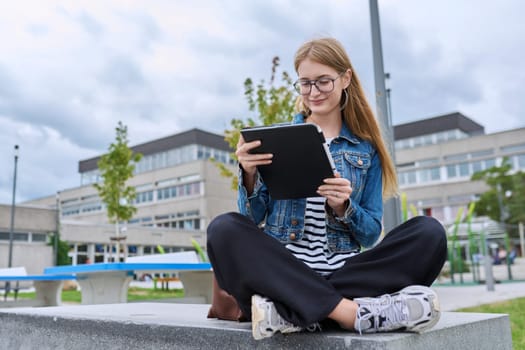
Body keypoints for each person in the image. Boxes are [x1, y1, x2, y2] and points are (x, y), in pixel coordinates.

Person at [207, 37, 447, 340]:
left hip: (343, 272)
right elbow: (251, 220)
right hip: (282, 269)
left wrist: (344, 208)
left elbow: (371, 234)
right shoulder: (276, 138)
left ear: (345, 78)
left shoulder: (366, 149)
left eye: (323, 82)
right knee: (224, 228)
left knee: (429, 233)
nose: (313, 92)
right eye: (305, 83)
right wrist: (249, 173)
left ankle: (289, 311)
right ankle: (350, 313)